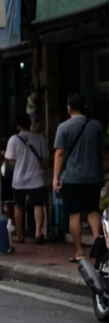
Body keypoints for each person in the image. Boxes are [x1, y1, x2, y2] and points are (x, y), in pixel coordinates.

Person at [53, 92, 105, 262]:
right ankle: (99, 245)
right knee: (93, 211)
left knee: (74, 214)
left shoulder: (64, 127)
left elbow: (59, 153)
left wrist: (56, 177)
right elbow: (102, 151)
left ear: (69, 107)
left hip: (73, 178)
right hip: (94, 177)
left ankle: (79, 251)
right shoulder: (96, 126)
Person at [5, 114, 49, 245]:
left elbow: (10, 158)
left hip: (19, 179)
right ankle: (38, 233)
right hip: (36, 177)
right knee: (38, 205)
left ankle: (19, 235)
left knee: (19, 206)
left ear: (18, 125)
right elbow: (45, 155)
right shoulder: (39, 137)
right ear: (30, 124)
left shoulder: (14, 139)